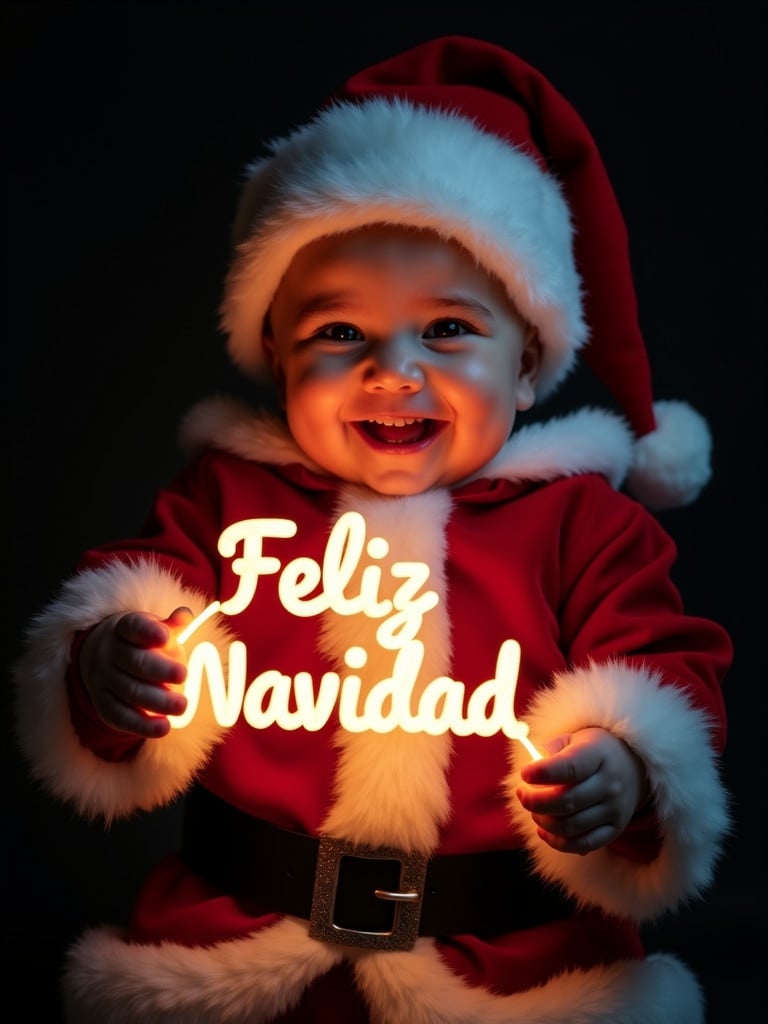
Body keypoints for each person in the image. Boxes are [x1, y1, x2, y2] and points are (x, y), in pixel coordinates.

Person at [13, 34, 732, 1024]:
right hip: (241, 947)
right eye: (340, 332)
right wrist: (107, 665)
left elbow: (667, 671)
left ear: (527, 365)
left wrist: (627, 763)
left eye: (448, 329)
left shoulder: (585, 526)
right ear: (275, 353)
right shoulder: (225, 500)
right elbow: (130, 604)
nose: (394, 370)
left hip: (516, 966)